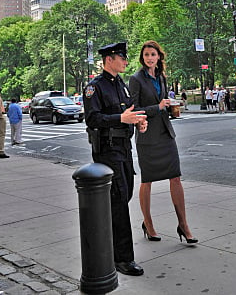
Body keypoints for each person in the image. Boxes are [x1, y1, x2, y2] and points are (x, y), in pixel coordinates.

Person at [83, 42, 147, 276]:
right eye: (122, 57)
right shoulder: (95, 87)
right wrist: (121, 118)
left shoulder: (121, 85)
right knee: (119, 201)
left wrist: (139, 121)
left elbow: (131, 111)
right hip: (108, 150)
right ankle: (123, 258)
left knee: (124, 195)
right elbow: (93, 119)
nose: (125, 61)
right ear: (109, 59)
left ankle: (109, 248)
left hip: (124, 148)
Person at [129, 40, 198, 245]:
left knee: (175, 177)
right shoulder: (136, 79)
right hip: (147, 136)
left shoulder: (161, 77)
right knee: (147, 180)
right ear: (143, 58)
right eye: (146, 55)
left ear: (159, 57)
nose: (150, 58)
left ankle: (184, 225)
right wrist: (158, 107)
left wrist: (170, 107)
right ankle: (148, 224)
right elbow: (135, 110)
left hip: (166, 133)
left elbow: (163, 104)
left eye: (153, 54)